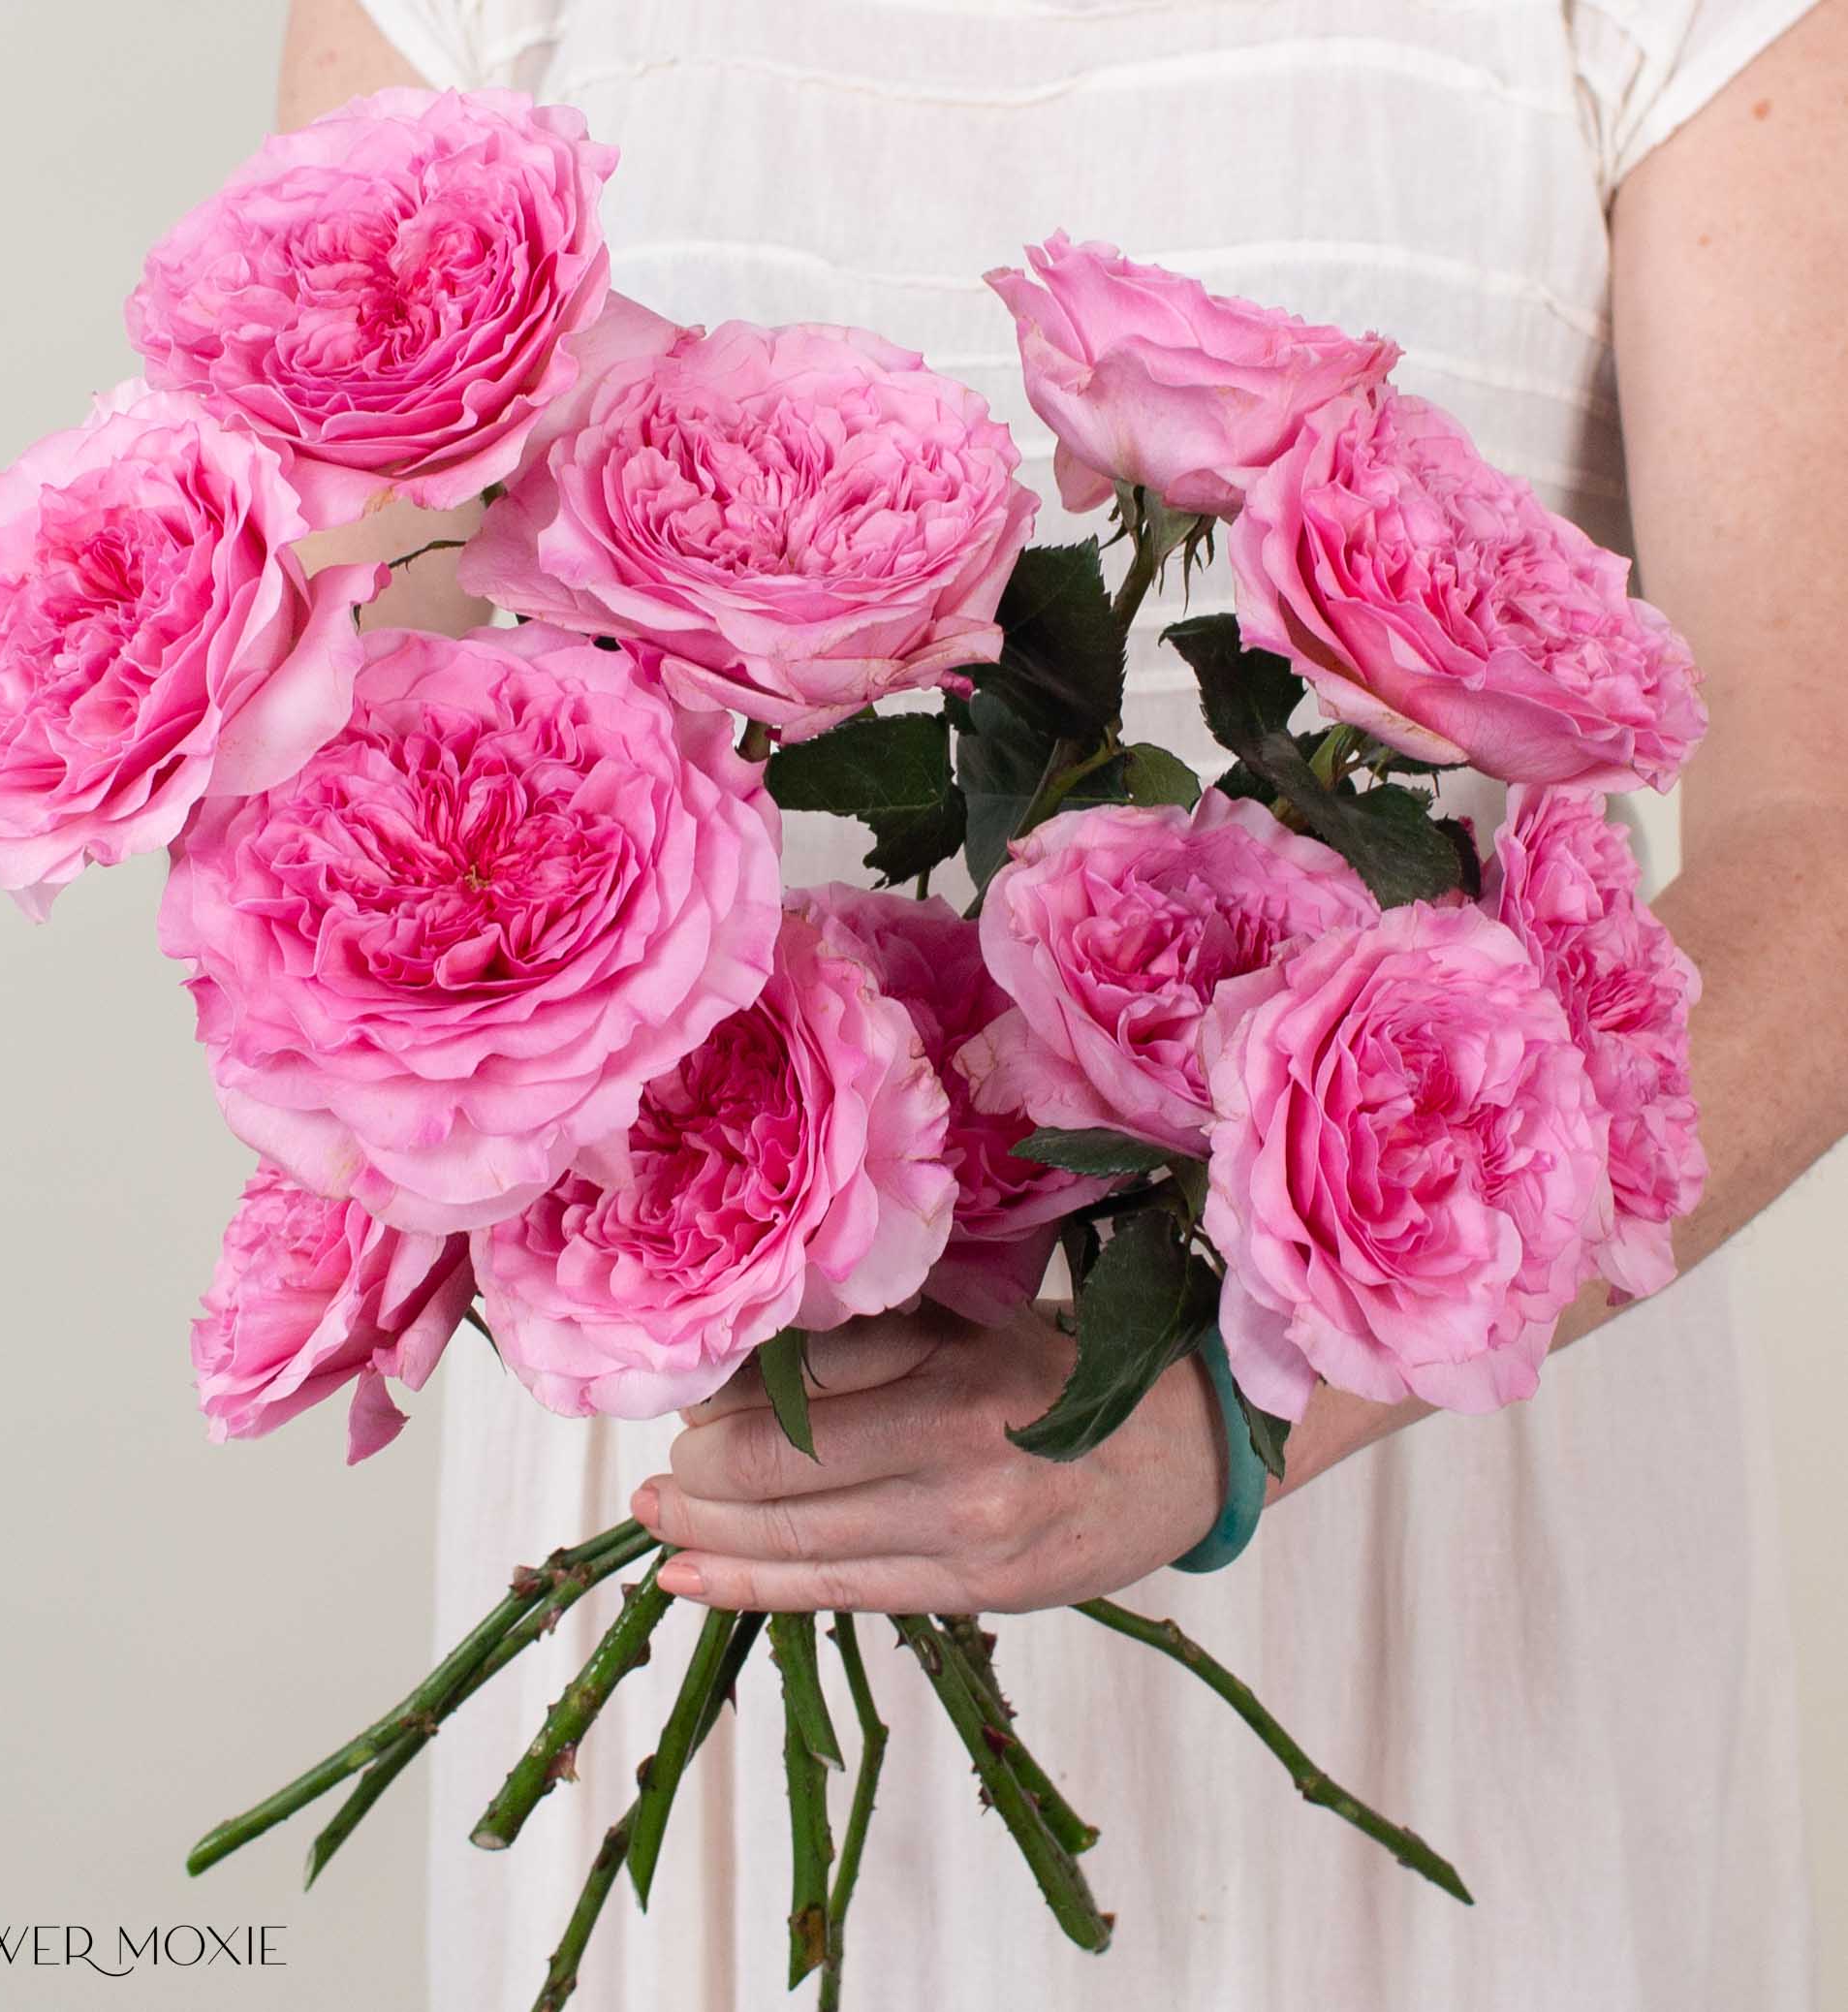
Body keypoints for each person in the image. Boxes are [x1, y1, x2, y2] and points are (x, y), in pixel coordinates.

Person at [281, 3, 1847, 2006]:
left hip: (1422, 1429)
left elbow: (1827, 829)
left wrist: (1223, 1411)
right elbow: (337, 801)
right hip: (751, 1438)